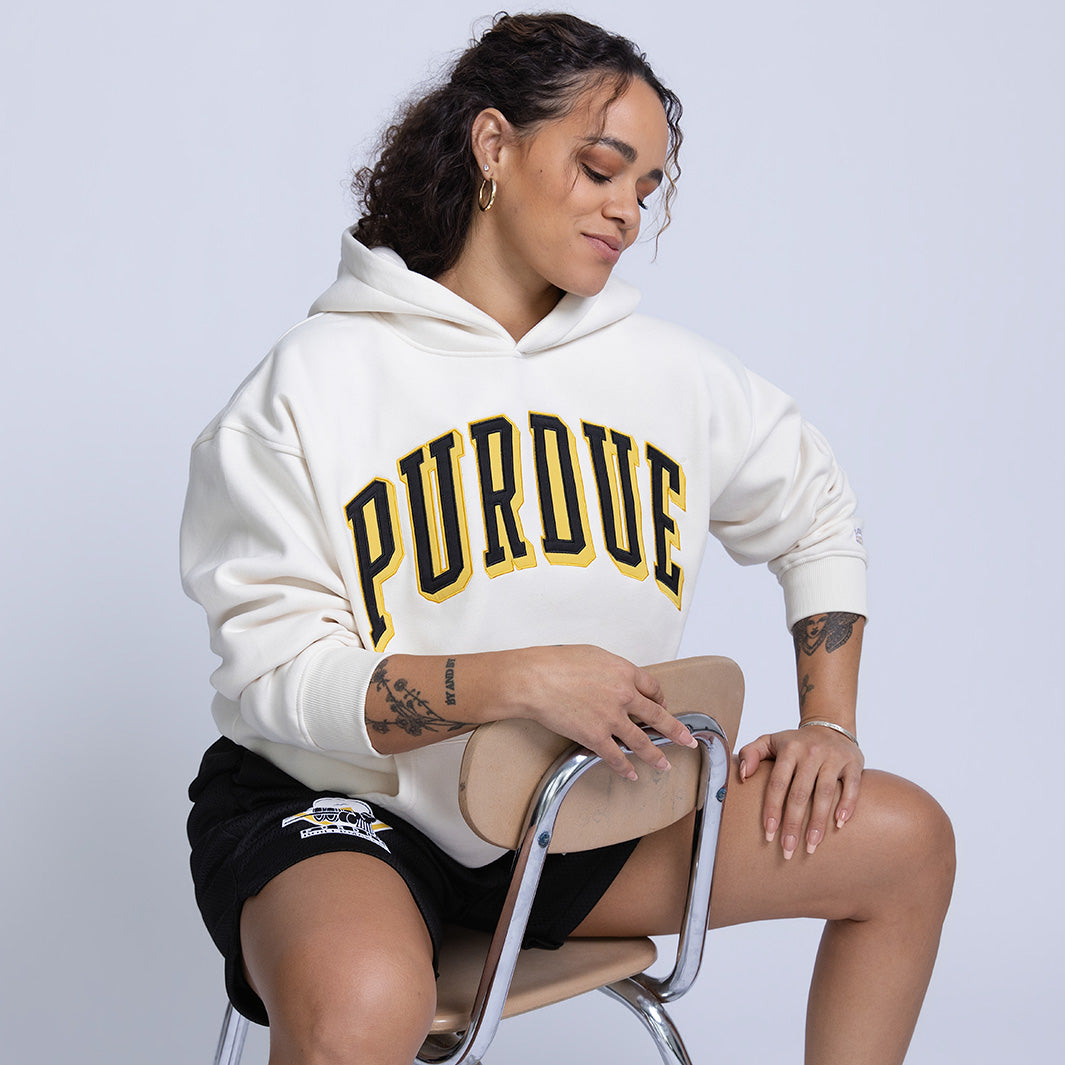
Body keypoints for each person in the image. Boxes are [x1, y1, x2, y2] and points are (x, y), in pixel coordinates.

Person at [180, 12, 955, 1065]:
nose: (627, 209)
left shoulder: (673, 375)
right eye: (600, 168)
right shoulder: (308, 386)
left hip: (574, 820)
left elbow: (814, 509)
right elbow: (280, 681)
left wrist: (830, 723)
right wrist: (519, 680)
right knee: (364, 997)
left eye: (647, 185)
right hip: (345, 812)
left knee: (905, 845)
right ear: (493, 146)